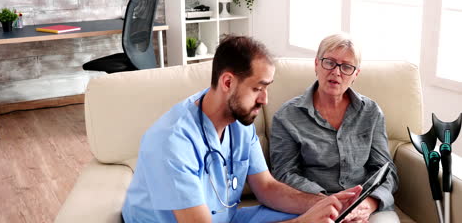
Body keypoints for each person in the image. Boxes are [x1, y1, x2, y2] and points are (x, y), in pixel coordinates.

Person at [121, 35, 361, 223]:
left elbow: (266, 188)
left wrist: (326, 204)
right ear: (227, 82)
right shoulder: (172, 142)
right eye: (258, 88)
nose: (265, 100)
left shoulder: (240, 120)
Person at [270, 33, 400, 223]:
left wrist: (367, 204)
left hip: (366, 207)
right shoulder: (287, 116)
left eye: (346, 67)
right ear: (316, 64)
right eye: (329, 62)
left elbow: (385, 170)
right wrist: (328, 203)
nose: (336, 72)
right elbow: (284, 173)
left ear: (356, 74)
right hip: (313, 205)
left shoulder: (371, 112)